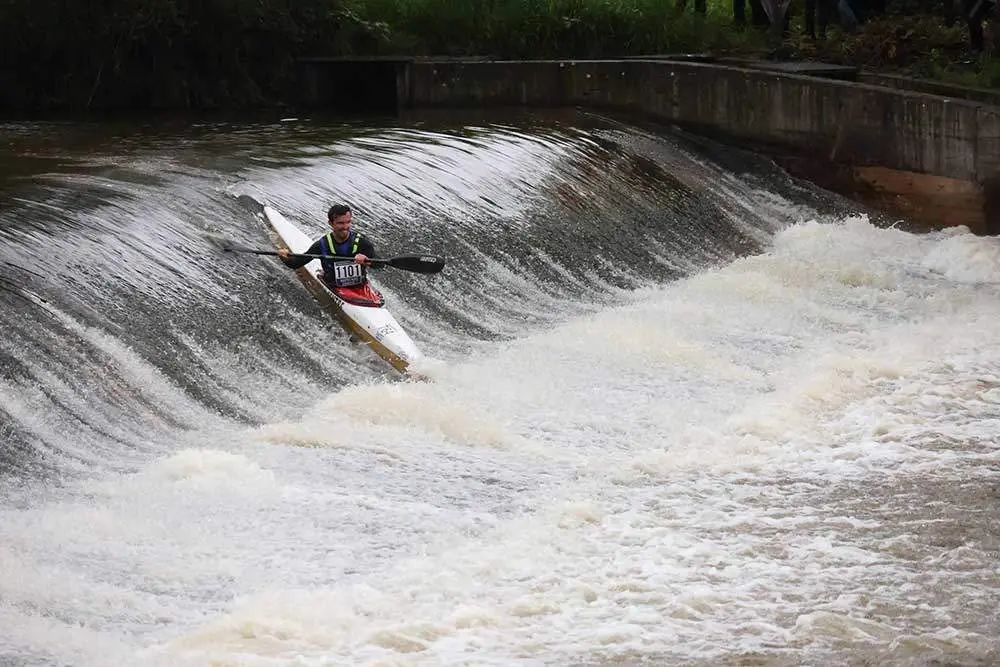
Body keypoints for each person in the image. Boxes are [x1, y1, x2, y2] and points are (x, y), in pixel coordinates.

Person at [277, 204, 383, 305]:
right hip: (334, 286)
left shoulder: (361, 242)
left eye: (348, 222)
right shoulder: (322, 244)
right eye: (340, 223)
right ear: (331, 223)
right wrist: (284, 256)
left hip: (360, 286)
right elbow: (295, 264)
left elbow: (380, 264)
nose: (345, 227)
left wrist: (367, 260)